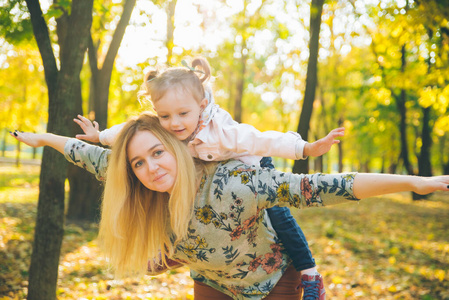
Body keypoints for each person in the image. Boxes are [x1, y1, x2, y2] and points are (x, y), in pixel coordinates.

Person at [10, 113, 449, 300]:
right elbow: (83, 153)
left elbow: (327, 184)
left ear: (178, 146)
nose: (149, 168)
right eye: (139, 162)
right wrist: (43, 139)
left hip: (273, 282)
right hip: (214, 285)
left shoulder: (234, 184)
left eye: (158, 153)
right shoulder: (134, 177)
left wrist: (415, 181)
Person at [73, 57, 345, 299]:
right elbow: (129, 131)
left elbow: (263, 140)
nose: (175, 123)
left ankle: (310, 274)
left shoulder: (221, 131)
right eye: (165, 116)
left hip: (253, 167)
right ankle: (176, 252)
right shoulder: (165, 128)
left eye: (183, 114)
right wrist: (99, 137)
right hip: (215, 180)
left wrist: (305, 148)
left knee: (278, 215)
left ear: (201, 106)